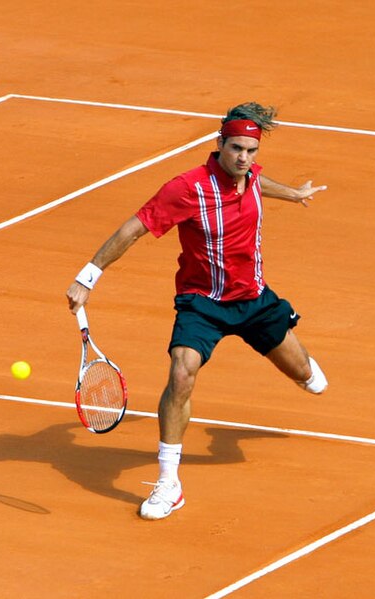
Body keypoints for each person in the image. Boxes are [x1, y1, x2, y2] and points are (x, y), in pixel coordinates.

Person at [66, 102, 328, 521]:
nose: (243, 158)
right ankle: (169, 482)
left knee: (311, 382)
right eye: (236, 149)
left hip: (256, 301)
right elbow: (133, 228)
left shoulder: (250, 175)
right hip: (202, 303)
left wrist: (295, 193)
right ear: (218, 144)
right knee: (181, 372)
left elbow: (258, 182)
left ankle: (301, 370)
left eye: (251, 151)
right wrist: (87, 277)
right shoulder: (187, 189)